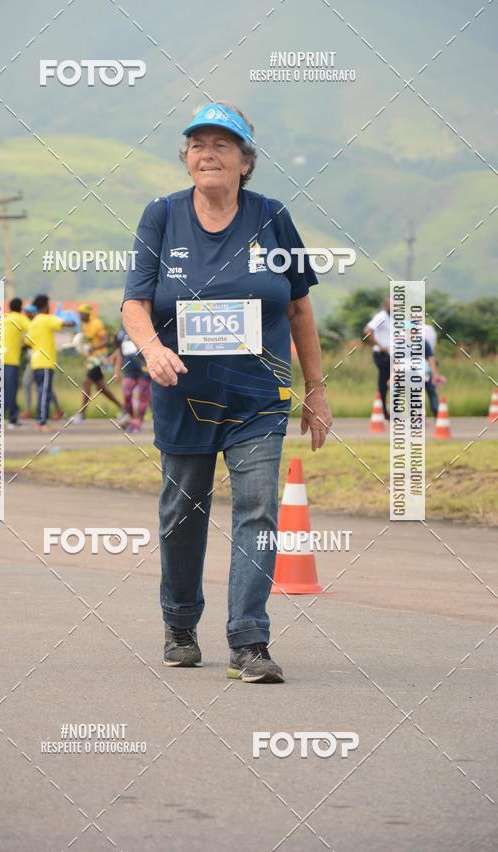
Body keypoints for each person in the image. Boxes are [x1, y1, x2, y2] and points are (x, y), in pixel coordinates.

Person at [122, 101, 331, 684]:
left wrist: (316, 390)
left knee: (259, 509)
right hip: (183, 394)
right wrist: (151, 347)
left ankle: (249, 640)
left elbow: (296, 305)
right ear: (186, 159)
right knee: (182, 515)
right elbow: (136, 303)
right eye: (197, 145)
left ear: (246, 161)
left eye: (222, 145)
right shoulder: (161, 216)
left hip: (258, 399)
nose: (207, 153)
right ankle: (181, 624)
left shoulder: (272, 217)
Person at [25, 294, 73, 430]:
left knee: (41, 391)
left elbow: (28, 343)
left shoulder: (32, 322)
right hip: (45, 362)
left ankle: (41, 420)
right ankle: (42, 422)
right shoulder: (46, 319)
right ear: (45, 306)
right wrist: (73, 321)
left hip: (35, 362)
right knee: (45, 392)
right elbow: (65, 323)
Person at [73, 303, 122, 423]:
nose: (79, 316)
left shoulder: (97, 323)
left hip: (98, 357)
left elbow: (107, 341)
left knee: (87, 382)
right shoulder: (84, 325)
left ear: (86, 313)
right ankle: (123, 408)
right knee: (102, 388)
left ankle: (82, 414)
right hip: (91, 358)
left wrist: (93, 347)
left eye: (81, 314)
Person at [113, 326, 151, 432]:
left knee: (143, 396)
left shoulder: (144, 328)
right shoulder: (121, 333)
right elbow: (119, 353)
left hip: (143, 368)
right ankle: (130, 418)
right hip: (128, 369)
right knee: (127, 394)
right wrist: (116, 370)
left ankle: (138, 422)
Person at [3, 297, 30, 429]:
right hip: (11, 359)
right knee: (11, 389)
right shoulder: (20, 318)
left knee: (0, 389)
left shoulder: (3, 319)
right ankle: (13, 419)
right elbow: (33, 330)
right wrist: (27, 345)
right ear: (20, 307)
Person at [364, 297, 391, 420]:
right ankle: (384, 411)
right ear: (385, 305)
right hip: (383, 355)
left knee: (395, 382)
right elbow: (368, 330)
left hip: (394, 354)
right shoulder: (381, 317)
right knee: (384, 382)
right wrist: (379, 345)